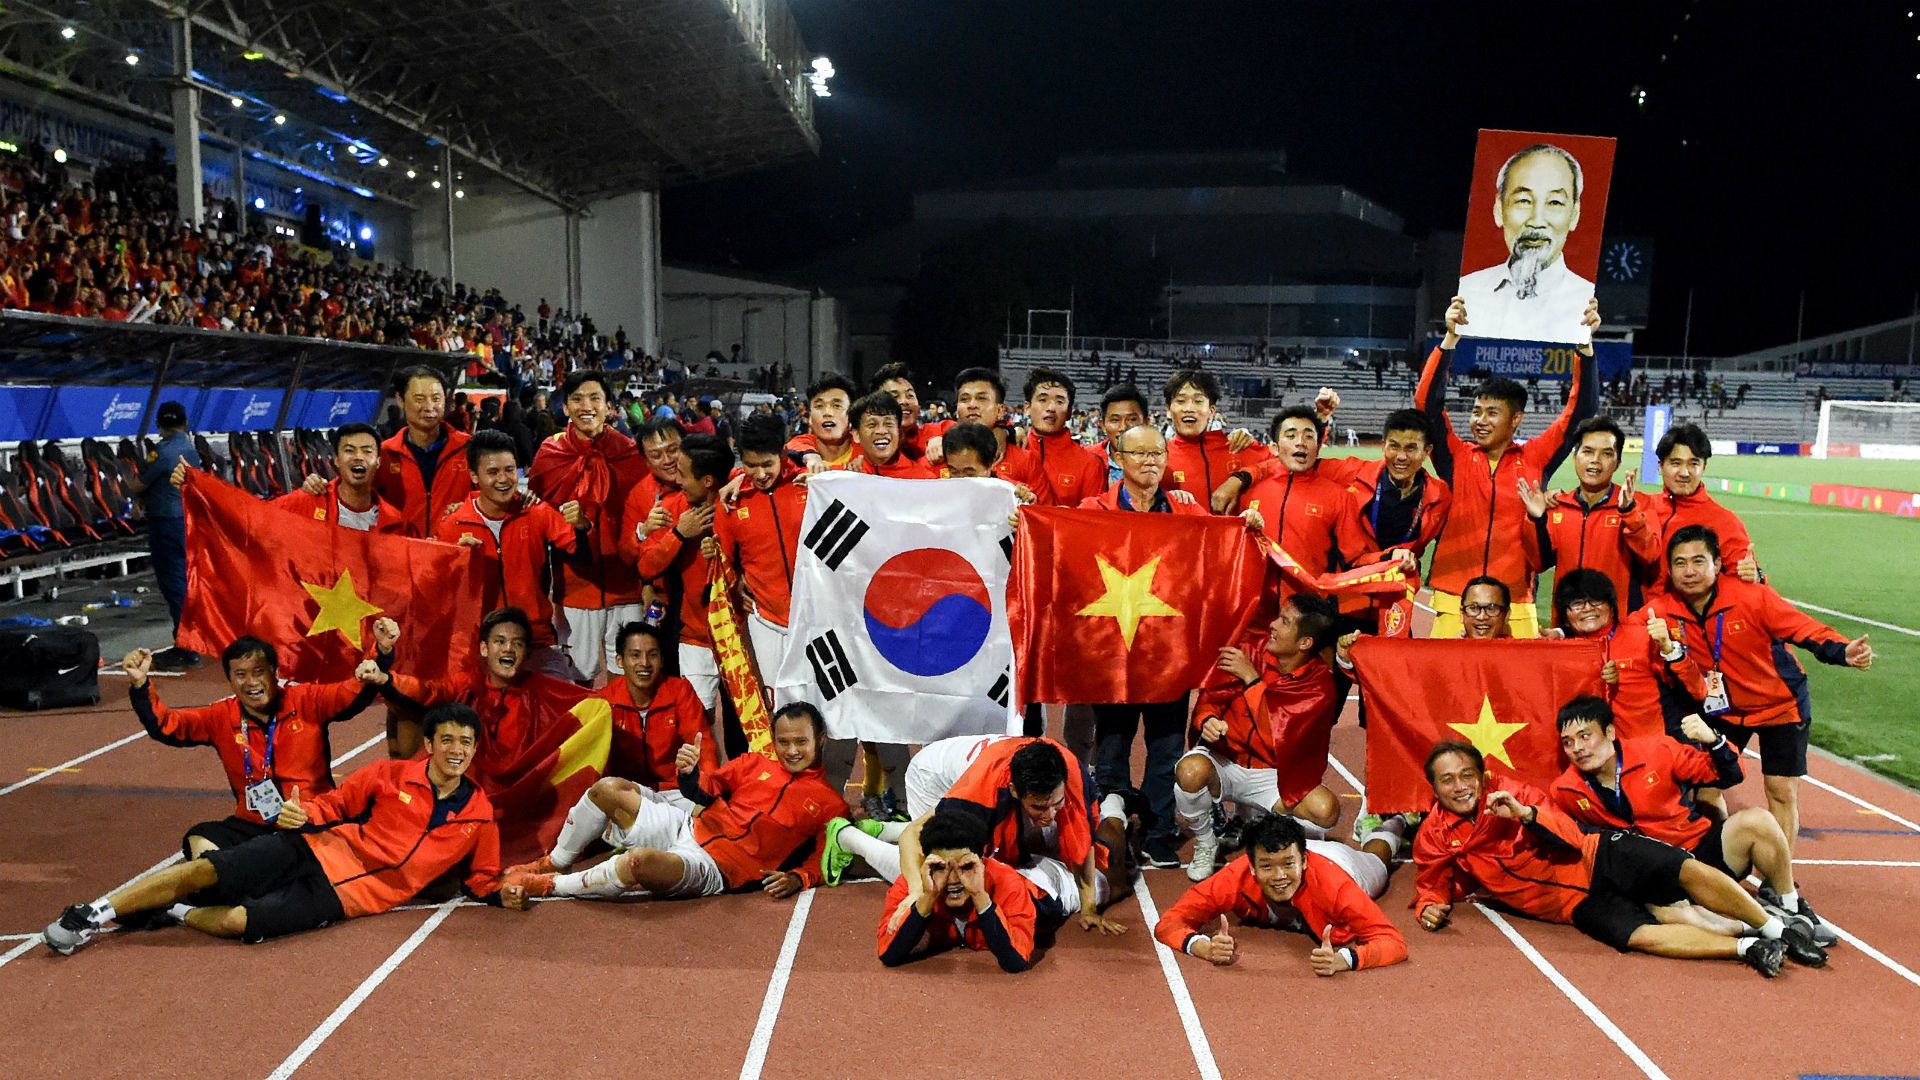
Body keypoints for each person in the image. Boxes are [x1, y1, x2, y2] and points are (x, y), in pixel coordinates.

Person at [42, 703, 527, 954]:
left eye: (465, 742)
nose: (457, 750)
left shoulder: (480, 815)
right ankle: (91, 913)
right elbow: (337, 802)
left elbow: (483, 876)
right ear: (428, 744)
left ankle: (177, 912)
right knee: (207, 869)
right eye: (447, 740)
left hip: (346, 900)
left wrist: (501, 892)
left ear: (474, 749)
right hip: (316, 850)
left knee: (240, 923)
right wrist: (305, 815)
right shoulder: (391, 774)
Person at [1413, 740, 1826, 977]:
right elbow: (1431, 883)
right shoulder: (1432, 834)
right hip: (1573, 905)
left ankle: (1777, 930)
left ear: (1482, 776)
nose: (1460, 786)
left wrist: (1526, 815)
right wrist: (1432, 908)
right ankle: (1747, 949)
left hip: (1600, 854)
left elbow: (1571, 837)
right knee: (1642, 937)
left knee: (1683, 871)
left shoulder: (1514, 794)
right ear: (1434, 788)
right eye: (1448, 780)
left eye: (1468, 775)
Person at [1644, 525, 1873, 856]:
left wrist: (1842, 651)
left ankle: (1779, 881)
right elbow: (1623, 632)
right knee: (1706, 786)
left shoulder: (1752, 597)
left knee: (1780, 790)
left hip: (1780, 705)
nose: (1689, 571)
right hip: (1724, 709)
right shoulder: (1665, 609)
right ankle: (1718, 857)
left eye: (1698, 561)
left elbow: (1803, 628)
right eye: (1680, 563)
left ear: (1718, 563)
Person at [1548, 696, 1836, 946]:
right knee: (1674, 917)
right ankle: (1765, 931)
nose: (1577, 748)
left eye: (1585, 736)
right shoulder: (1565, 790)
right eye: (1568, 742)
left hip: (1697, 850)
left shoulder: (1658, 750)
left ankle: (1788, 904)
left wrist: (1716, 741)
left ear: (1610, 732)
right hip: (1656, 874)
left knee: (1758, 821)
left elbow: (1730, 775)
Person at [502, 703, 846, 902]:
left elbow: (827, 855)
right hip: (689, 826)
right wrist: (689, 773)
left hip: (715, 868)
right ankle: (556, 862)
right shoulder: (754, 763)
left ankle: (550, 886)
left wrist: (800, 878)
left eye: (801, 741)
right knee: (607, 788)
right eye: (784, 742)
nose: (792, 751)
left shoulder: (831, 804)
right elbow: (705, 788)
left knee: (638, 864)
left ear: (821, 739)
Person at [1415, 295, 1598, 637]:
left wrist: (1584, 348)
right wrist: (1449, 340)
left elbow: (1580, 415)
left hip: (1516, 600)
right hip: (1453, 597)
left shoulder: (1536, 458)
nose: (1479, 421)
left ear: (1516, 419)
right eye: (1476, 412)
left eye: (1491, 413)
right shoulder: (1455, 455)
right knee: (1447, 689)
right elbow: (1426, 407)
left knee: (1518, 690)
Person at [829, 736, 1131, 934]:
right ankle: (850, 838)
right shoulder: (978, 799)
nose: (1050, 815)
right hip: (933, 776)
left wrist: (1089, 908)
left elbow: (1081, 842)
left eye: (1057, 804)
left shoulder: (1074, 779)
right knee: (948, 874)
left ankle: (883, 830)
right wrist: (916, 892)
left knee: (1027, 845)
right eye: (1039, 807)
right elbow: (912, 836)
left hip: (980, 770)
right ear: (1014, 791)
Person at [124, 633, 385, 857]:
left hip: (309, 818)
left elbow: (351, 693)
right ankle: (225, 878)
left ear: (275, 673)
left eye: (259, 672)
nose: (251, 683)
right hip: (255, 823)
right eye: (240, 675)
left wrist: (380, 654)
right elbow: (168, 725)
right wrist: (140, 684)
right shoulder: (221, 717)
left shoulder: (306, 700)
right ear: (230, 680)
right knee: (199, 839)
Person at [1177, 596, 1345, 879]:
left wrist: (1252, 680)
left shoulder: (1320, 687)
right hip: (1226, 762)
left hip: (1273, 775)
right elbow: (1210, 698)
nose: (1272, 625)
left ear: (1305, 643)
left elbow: (1278, 737)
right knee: (1190, 771)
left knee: (1326, 811)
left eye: (1285, 622)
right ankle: (1207, 841)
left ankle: (1252, 819)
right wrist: (1207, 720)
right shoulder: (1248, 651)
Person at [1154, 815, 1407, 974]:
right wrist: (1201, 947)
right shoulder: (1234, 877)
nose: (1279, 877)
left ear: (1304, 861)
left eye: (1287, 865)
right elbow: (1169, 923)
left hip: (1342, 863)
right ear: (1251, 866)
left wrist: (1347, 959)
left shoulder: (1338, 886)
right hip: (1301, 855)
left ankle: (1393, 825)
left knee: (1379, 858)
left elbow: (1393, 943)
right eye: (1266, 866)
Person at [435, 430, 588, 680]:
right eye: (493, 472)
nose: (504, 479)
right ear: (474, 476)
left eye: (510, 470)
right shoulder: (454, 525)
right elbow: (441, 592)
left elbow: (581, 556)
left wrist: (581, 527)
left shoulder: (536, 512)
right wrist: (459, 562)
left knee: (571, 712)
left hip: (535, 639)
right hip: (480, 645)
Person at [374, 608, 585, 787]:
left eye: (517, 644)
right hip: (469, 796)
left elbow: (596, 704)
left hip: (521, 800)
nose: (508, 649)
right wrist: (385, 678)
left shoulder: (546, 692)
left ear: (527, 653)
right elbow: (430, 691)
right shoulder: (467, 686)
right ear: (484, 648)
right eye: (500, 642)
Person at [529, 369, 648, 683]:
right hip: (574, 588)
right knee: (576, 678)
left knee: (629, 678)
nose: (587, 406)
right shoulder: (549, 454)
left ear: (609, 406)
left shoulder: (630, 453)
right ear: (565, 407)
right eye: (577, 399)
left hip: (626, 587)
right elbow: (536, 519)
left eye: (595, 398)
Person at [629, 434, 736, 722]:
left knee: (744, 730)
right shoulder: (673, 509)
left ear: (708, 481)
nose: (677, 480)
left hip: (738, 639)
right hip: (694, 638)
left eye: (683, 473)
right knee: (696, 723)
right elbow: (646, 567)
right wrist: (678, 535)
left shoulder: (739, 506)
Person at [877, 810, 1055, 973]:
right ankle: (849, 834)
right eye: (941, 867)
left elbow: (1016, 961)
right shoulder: (914, 883)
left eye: (966, 866)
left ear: (981, 861)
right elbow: (889, 954)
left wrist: (979, 895)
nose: (953, 880)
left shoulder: (1008, 883)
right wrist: (927, 898)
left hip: (1048, 890)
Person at [1455, 143, 1596, 344]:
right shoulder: (1471, 292)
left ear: (1574, 214)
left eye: (1554, 203)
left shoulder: (1584, 303)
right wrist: (1451, 337)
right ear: (1498, 209)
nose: (1536, 221)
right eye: (1523, 201)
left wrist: (1586, 343)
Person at [1520, 415, 1660, 613]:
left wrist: (1629, 512)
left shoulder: (1639, 505)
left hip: (1617, 632)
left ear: (1618, 461)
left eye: (1606, 453)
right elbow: (1539, 563)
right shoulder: (1559, 506)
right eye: (1587, 451)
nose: (1595, 460)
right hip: (1568, 627)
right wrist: (1536, 519)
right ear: (1574, 456)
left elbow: (1650, 556)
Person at [714, 413, 807, 703]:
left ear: (782, 453)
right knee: (777, 705)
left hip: (814, 618)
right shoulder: (732, 500)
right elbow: (724, 562)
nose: (760, 474)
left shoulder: (810, 483)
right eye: (751, 465)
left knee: (820, 706)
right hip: (765, 619)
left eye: (767, 464)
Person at [1335, 408, 1451, 637]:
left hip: (1395, 608)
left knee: (1392, 670)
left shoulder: (1440, 496)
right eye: (1394, 446)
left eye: (1411, 448)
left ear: (1427, 451)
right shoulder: (1351, 473)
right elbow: (1301, 463)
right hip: (1346, 602)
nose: (1401, 457)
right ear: (1383, 445)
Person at [1551, 569, 1704, 738]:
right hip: (1592, 756)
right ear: (1565, 617)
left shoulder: (1642, 638)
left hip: (1651, 752)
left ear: (1611, 606)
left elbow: (1697, 691)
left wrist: (1669, 649)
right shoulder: (1561, 653)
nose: (1587, 608)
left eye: (1595, 601)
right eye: (1577, 604)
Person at [598, 622, 718, 808]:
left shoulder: (680, 691)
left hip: (676, 790)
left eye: (652, 655)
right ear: (620, 661)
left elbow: (703, 746)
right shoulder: (604, 701)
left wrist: (709, 792)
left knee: (717, 817)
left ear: (662, 660)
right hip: (626, 792)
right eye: (635, 655)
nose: (644, 663)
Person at [1640, 423, 1762, 588]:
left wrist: (1756, 577)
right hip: (1636, 613)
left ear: (1704, 467)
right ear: (1660, 466)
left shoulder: (1724, 521)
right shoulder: (1642, 508)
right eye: (1676, 463)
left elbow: (1747, 579)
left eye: (1693, 464)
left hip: (1686, 613)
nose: (1684, 473)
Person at [130, 399, 200, 667]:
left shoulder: (161, 452)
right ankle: (191, 640)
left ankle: (186, 646)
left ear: (159, 424)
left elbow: (138, 484)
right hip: (186, 521)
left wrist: (125, 479)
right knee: (185, 580)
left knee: (174, 584)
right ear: (185, 423)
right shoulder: (190, 449)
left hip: (166, 523)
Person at [375, 365, 473, 536]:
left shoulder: (469, 449)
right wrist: (318, 486)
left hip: (454, 554)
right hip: (403, 555)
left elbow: (491, 499)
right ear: (400, 400)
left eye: (436, 399)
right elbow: (355, 497)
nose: (429, 407)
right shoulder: (385, 454)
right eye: (419, 399)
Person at [1159, 369, 1272, 511]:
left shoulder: (1237, 446)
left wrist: (1240, 478)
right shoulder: (1158, 457)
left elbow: (1282, 463)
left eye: (1198, 401)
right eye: (1181, 401)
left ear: (1211, 411)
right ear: (1168, 410)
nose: (1189, 408)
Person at [272, 423, 409, 534]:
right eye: (349, 450)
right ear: (336, 460)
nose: (358, 457)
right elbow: (257, 518)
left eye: (367, 451)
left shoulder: (395, 523)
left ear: (378, 462)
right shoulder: (308, 501)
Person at [1019, 367, 1106, 506]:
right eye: (1042, 400)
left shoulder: (1090, 464)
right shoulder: (1006, 450)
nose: (1051, 408)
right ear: (1027, 408)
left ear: (1069, 412)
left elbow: (1092, 522)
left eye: (1059, 402)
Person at [846, 391, 937, 478]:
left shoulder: (924, 480)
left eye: (889, 424)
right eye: (872, 424)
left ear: (899, 432)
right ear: (856, 435)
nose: (881, 431)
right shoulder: (843, 476)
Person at [786, 373, 858, 471]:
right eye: (819, 406)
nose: (827, 413)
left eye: (837, 406)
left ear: (852, 415)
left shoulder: (868, 454)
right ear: (810, 418)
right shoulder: (791, 463)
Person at [1091, 383, 1150, 486]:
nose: (1123, 427)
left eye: (1132, 419)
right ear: (1103, 425)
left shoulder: (1160, 463)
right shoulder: (1087, 459)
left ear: (1146, 423)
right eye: (1115, 420)